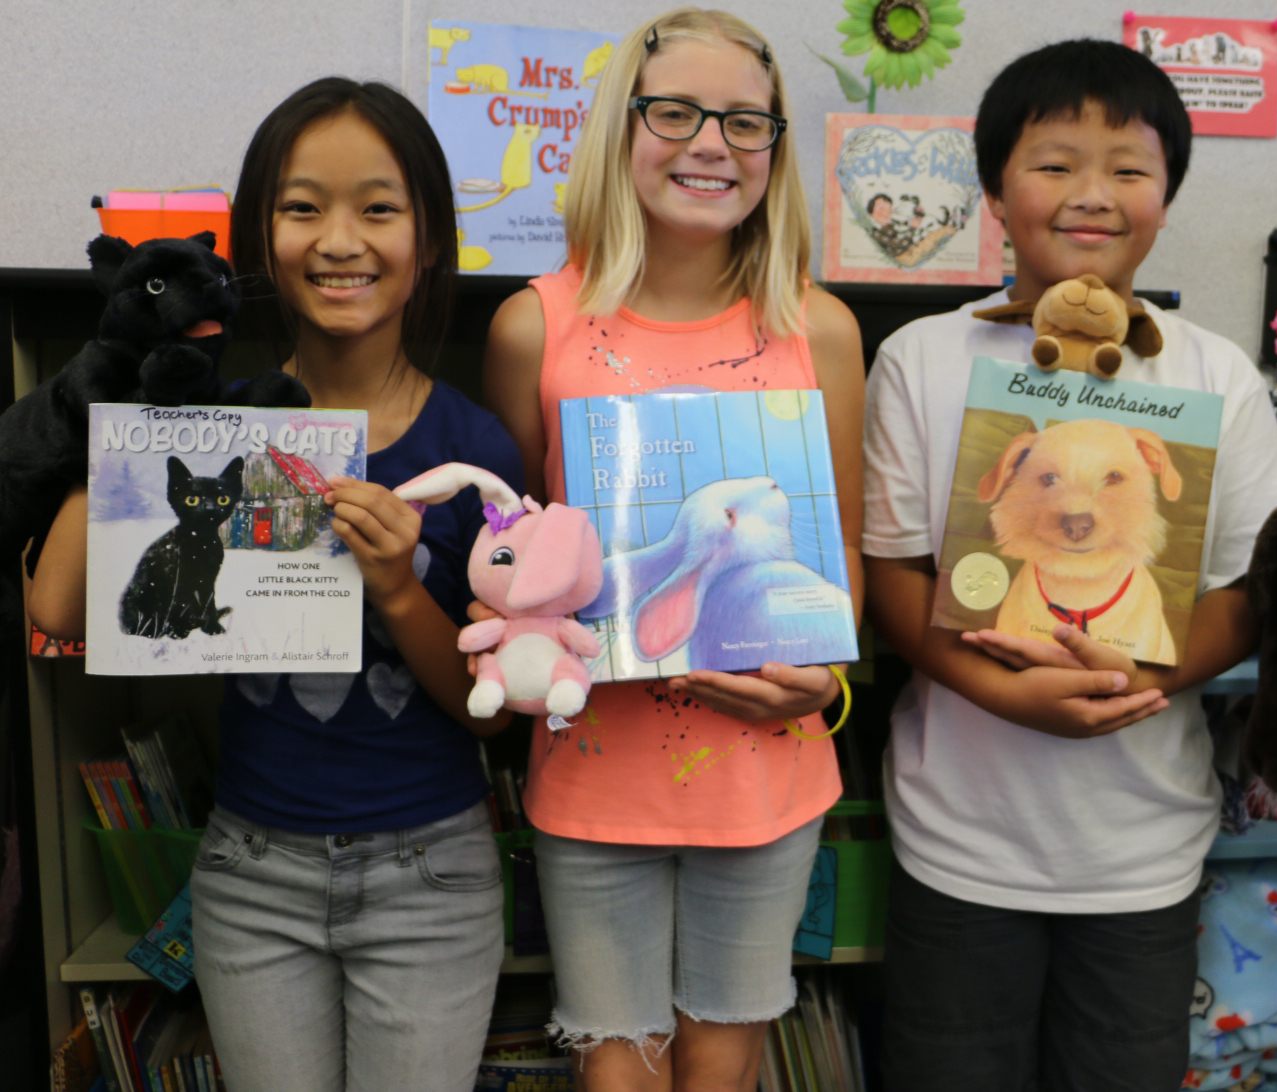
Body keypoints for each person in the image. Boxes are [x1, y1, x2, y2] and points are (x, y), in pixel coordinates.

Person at [28, 77, 522, 1091]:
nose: (340, 239)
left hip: (434, 874)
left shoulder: (473, 451)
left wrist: (396, 588)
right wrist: (125, 419)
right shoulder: (212, 422)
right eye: (303, 208)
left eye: (379, 208)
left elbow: (488, 721)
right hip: (252, 877)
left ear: (429, 240)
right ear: (259, 239)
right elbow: (56, 608)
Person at [860, 38, 1277, 1092]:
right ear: (996, 192)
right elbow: (891, 580)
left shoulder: (1216, 374)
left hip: (1141, 853)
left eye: (1129, 169)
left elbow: (1249, 593)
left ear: (1167, 194)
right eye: (1055, 164)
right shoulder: (922, 357)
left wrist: (1134, 680)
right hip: (958, 840)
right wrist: (1004, 696)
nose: (1091, 195)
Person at [478, 10, 864, 1092]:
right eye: (677, 113)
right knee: (616, 1075)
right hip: (595, 770)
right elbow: (511, 550)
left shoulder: (817, 330)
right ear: (620, 129)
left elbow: (842, 569)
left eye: (747, 121)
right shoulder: (535, 329)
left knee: (724, 1067)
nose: (712, 143)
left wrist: (821, 684)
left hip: (768, 773)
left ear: (776, 147)